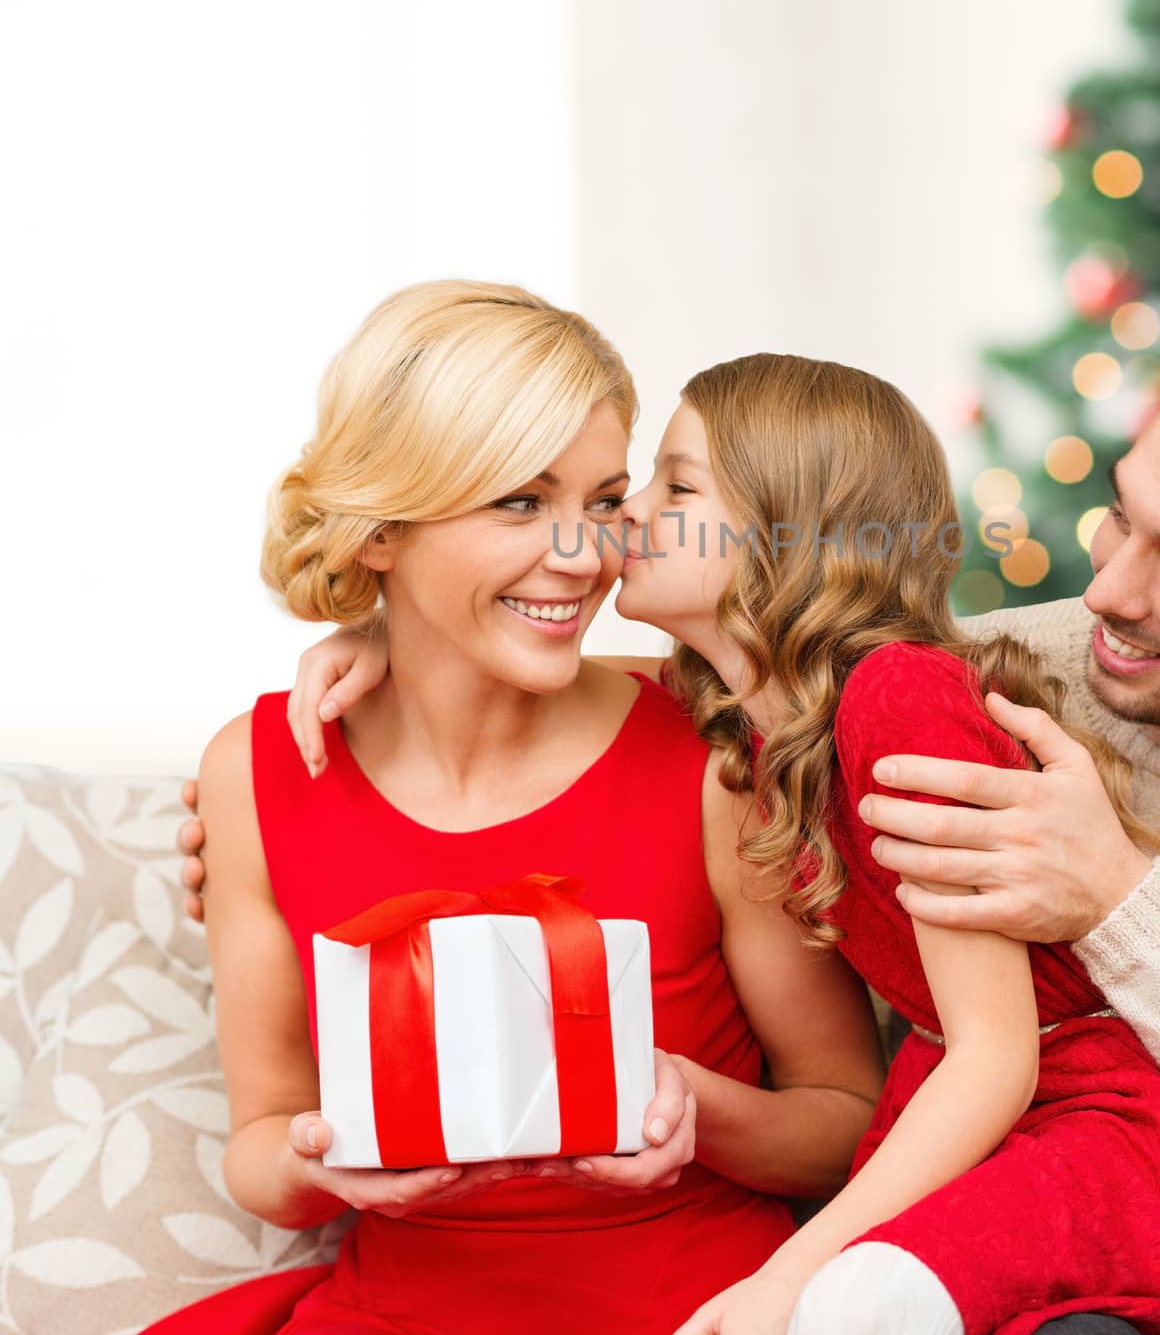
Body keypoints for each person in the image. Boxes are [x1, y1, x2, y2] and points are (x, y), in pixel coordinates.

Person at [184, 314, 1160, 1334]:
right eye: (1118, 522)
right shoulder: (931, 673)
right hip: (1032, 1257)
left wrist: (1120, 899)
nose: (1109, 595)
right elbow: (720, 674)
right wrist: (381, 644)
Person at [148, 282, 885, 1335]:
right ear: (378, 529)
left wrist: (686, 1102)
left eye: (604, 500)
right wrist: (333, 1161)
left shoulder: (707, 754)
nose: (584, 555)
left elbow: (845, 1119)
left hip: (695, 1303)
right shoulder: (256, 771)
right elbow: (262, 1147)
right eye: (519, 502)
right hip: (398, 1309)